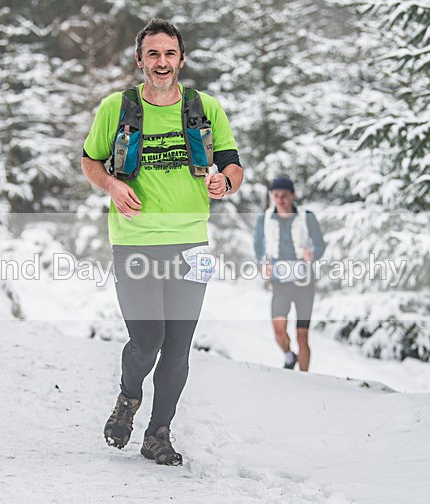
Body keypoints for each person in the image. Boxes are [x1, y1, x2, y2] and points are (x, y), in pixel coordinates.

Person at [81, 19, 243, 466]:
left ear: (182, 59)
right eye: (153, 54)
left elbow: (232, 164)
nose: (162, 62)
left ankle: (158, 434)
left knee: (177, 347)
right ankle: (128, 398)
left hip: (191, 243)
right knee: (147, 339)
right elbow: (90, 160)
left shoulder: (205, 107)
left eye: (169, 54)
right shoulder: (118, 107)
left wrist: (225, 184)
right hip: (134, 241)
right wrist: (112, 187)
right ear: (140, 61)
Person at [254, 176, 326, 371]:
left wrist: (313, 254)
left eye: (284, 195)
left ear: (293, 195)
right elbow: (258, 247)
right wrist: (263, 264)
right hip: (280, 283)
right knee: (279, 332)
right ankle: (288, 356)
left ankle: (304, 378)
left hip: (304, 283)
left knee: (302, 336)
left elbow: (320, 244)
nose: (280, 200)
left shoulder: (306, 217)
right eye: (276, 196)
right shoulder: (265, 219)